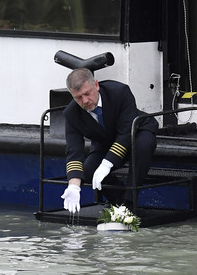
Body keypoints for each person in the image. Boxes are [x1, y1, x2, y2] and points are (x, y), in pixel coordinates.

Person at [60, 68, 158, 213]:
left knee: (142, 146)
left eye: (87, 93)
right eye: (78, 98)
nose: (85, 101)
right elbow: (74, 151)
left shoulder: (119, 92)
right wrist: (73, 185)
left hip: (136, 132)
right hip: (105, 142)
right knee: (88, 171)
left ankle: (130, 201)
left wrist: (107, 163)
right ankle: (119, 201)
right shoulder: (71, 114)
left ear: (96, 85)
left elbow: (125, 133)